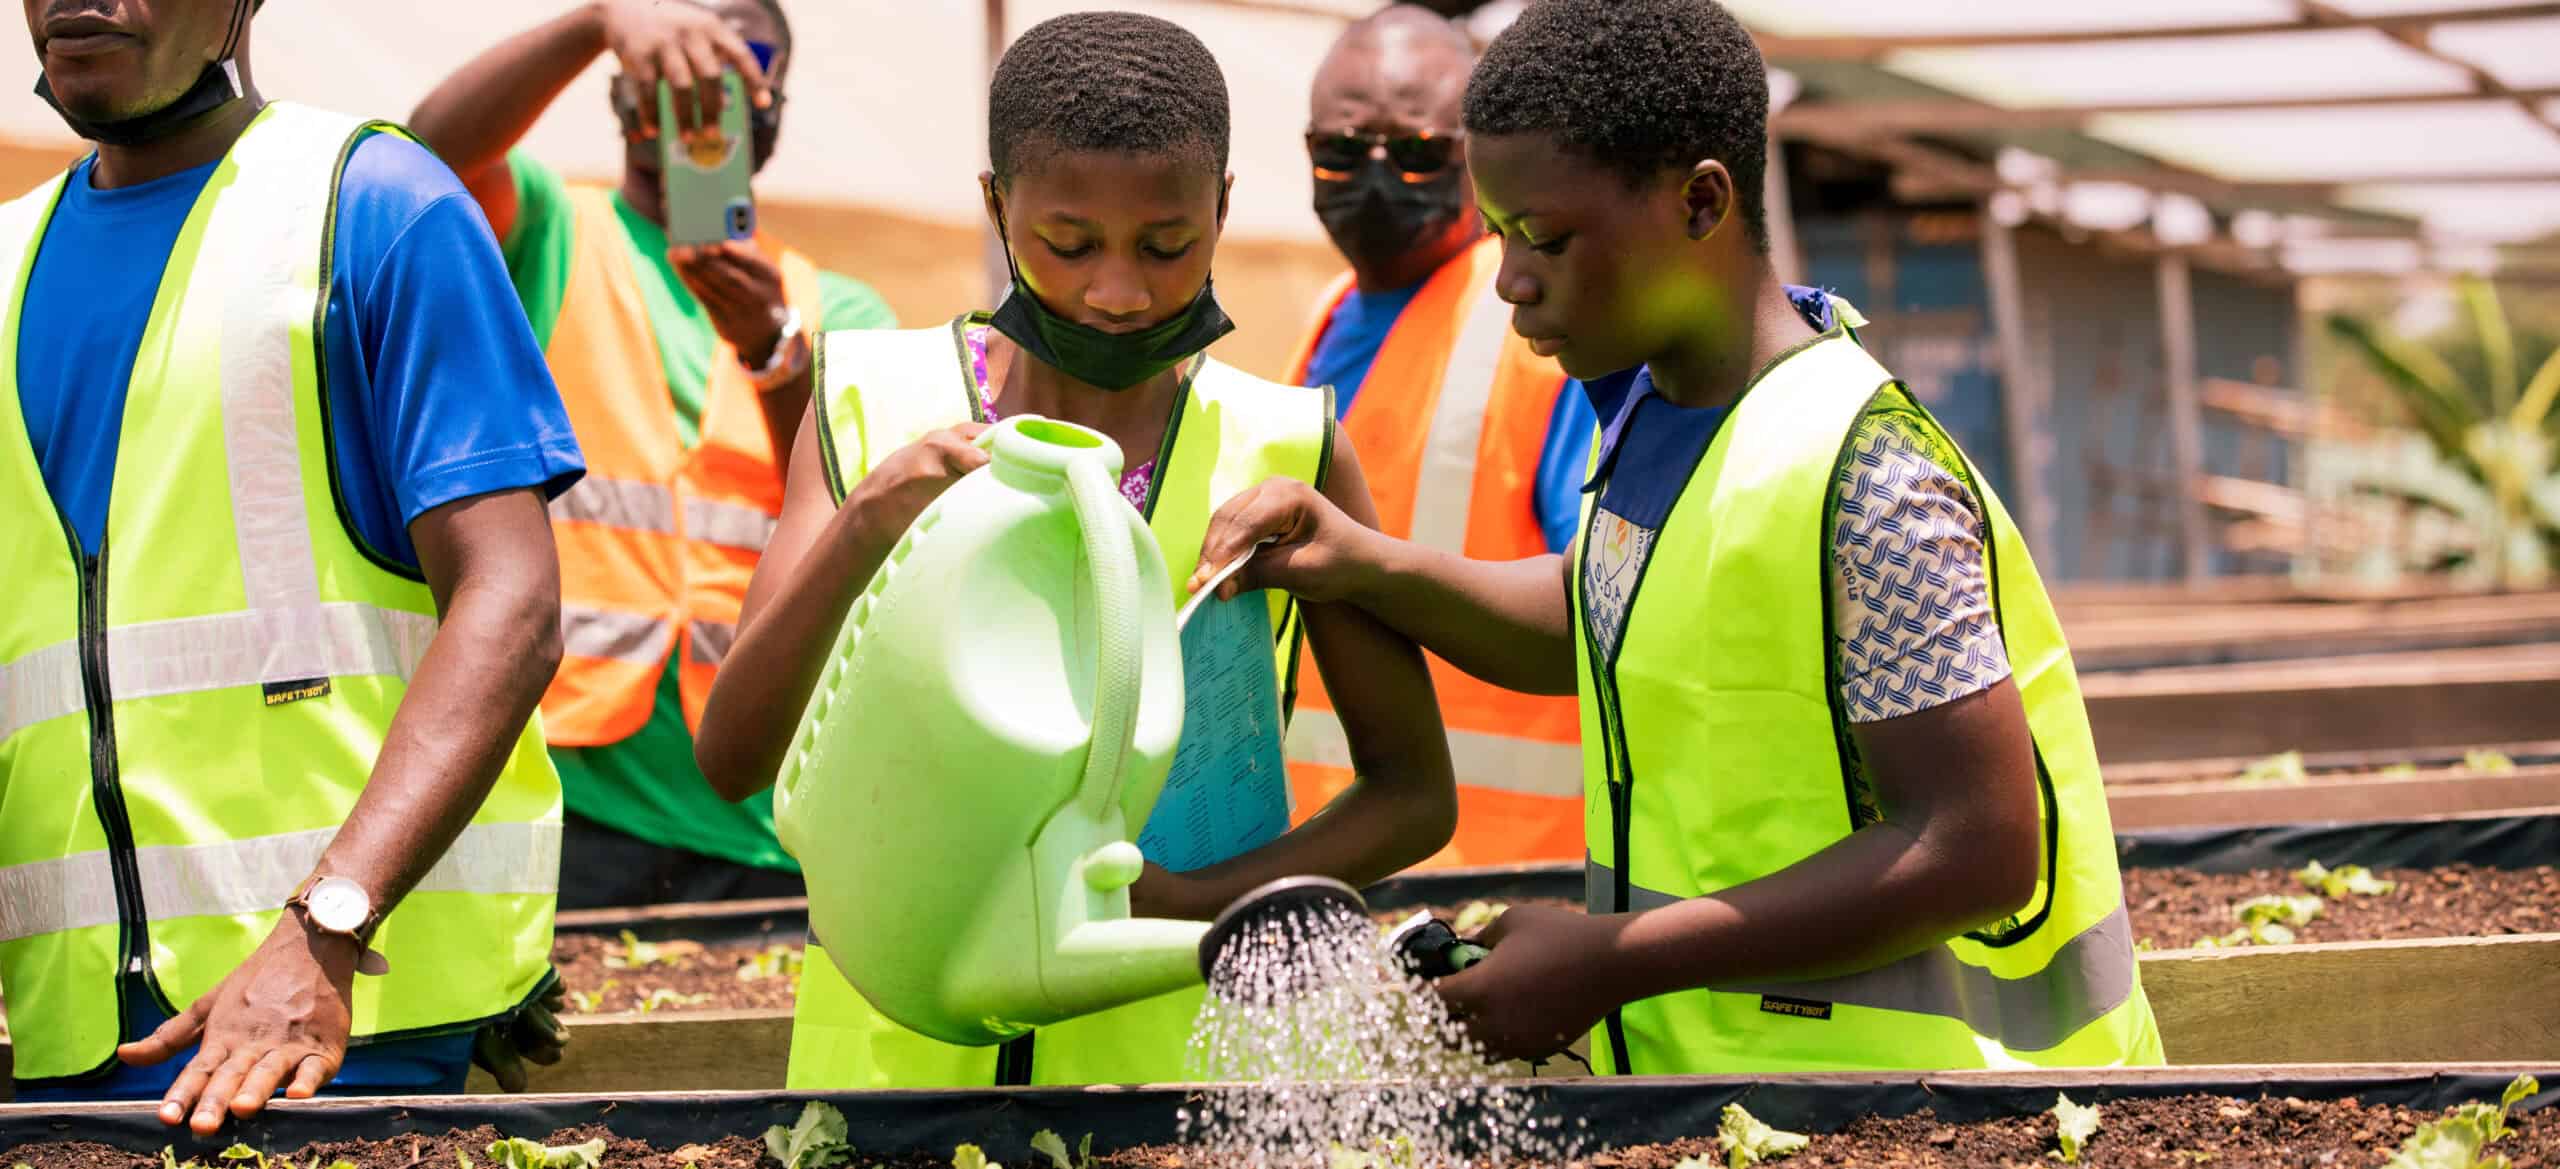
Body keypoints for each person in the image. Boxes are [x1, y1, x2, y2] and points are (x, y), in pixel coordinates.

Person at [1191, 0, 2163, 1074]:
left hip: (1946, 1110)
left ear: (1702, 201)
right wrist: (1375, 565)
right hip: (1738, 1095)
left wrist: (1611, 959)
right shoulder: (1654, 421)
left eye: (1545, 238)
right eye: (1501, 233)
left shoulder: (1867, 471)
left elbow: (1975, 849)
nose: (1509, 279)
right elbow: (1596, 621)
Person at [690, 10, 1457, 1087]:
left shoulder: (1287, 446)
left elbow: (1414, 795)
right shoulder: (871, 403)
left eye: (1166, 244)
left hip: (1171, 1066)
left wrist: (1201, 905)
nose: (1118, 290)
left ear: (1223, 206)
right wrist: (871, 516)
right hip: (890, 1064)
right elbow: (734, 756)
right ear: (997, 205)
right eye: (1067, 242)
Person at [0, 0, 582, 1126]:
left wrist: (328, 919)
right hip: (73, 1046)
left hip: (342, 1031)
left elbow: (510, 602)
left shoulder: (374, 208)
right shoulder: (4, 263)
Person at [408, 0, 899, 909]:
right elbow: (423, 158)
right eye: (678, 59)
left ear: (776, 110)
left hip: (756, 812)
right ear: (627, 93)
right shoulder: (554, 228)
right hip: (559, 789)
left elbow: (862, 504)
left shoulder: (838, 309)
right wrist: (595, 21)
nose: (705, 88)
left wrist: (777, 352)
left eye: (740, 72)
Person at [1281, 5, 1589, 867]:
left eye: (1417, 154)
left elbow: (1603, 603)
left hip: (1511, 890)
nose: (1376, 177)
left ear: (1472, 155)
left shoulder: (1538, 329)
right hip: (1340, 872)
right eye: (1341, 150)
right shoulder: (1326, 316)